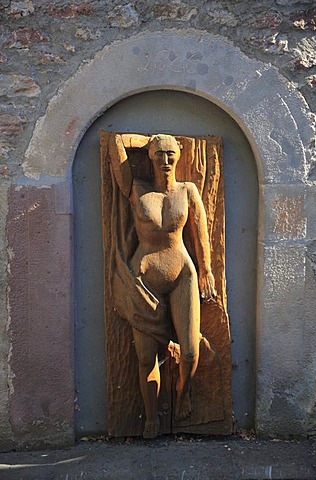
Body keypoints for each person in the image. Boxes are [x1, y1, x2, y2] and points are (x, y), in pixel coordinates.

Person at [108, 133, 216, 439]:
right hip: (143, 281)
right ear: (150, 157)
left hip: (182, 272)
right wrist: (146, 142)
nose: (165, 161)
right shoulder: (136, 189)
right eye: (159, 155)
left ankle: (184, 392)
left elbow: (201, 232)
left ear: (179, 156)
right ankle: (152, 417)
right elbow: (115, 143)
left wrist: (207, 269)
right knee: (145, 357)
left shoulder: (188, 190)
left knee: (192, 352)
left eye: (171, 154)